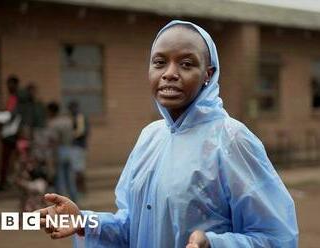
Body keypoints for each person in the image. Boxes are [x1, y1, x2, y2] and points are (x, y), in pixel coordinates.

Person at [38, 20, 298, 247]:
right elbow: (131, 227)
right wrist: (85, 220)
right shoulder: (150, 138)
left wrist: (214, 244)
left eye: (186, 64)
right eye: (160, 62)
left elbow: (277, 239)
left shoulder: (231, 140)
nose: (170, 74)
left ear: (208, 74)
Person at [46, 102, 78, 203]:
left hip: (59, 151)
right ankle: (74, 200)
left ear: (51, 111)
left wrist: (52, 156)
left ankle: (61, 203)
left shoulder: (53, 123)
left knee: (60, 179)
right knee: (70, 178)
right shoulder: (68, 121)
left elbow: (54, 141)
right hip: (70, 150)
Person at [68, 100, 89, 195]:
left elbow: (81, 131)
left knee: (78, 169)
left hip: (78, 146)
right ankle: (81, 190)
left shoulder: (79, 116)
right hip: (80, 146)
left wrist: (70, 136)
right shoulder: (79, 116)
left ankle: (81, 190)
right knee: (78, 169)